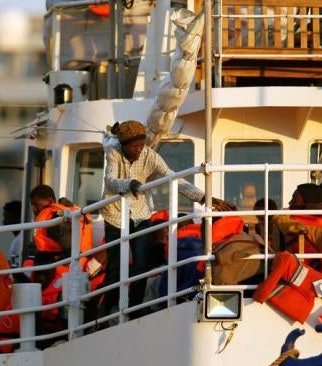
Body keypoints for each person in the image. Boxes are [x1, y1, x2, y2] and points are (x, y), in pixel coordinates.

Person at [100, 120, 234, 318]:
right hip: (115, 214)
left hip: (140, 214)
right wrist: (130, 184)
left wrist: (205, 198)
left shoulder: (150, 156)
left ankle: (133, 309)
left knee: (142, 265)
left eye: (141, 145)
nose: (138, 150)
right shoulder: (113, 152)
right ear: (123, 144)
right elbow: (110, 180)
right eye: (133, 146)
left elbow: (174, 178)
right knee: (115, 270)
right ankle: (103, 313)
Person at [272, 183, 322, 273]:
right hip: (315, 272)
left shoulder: (288, 218)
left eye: (295, 198)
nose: (290, 202)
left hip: (303, 271)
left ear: (308, 199)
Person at [3, 200, 22, 267]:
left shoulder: (19, 240)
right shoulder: (18, 238)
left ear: (17, 218)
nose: (4, 221)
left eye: (7, 217)